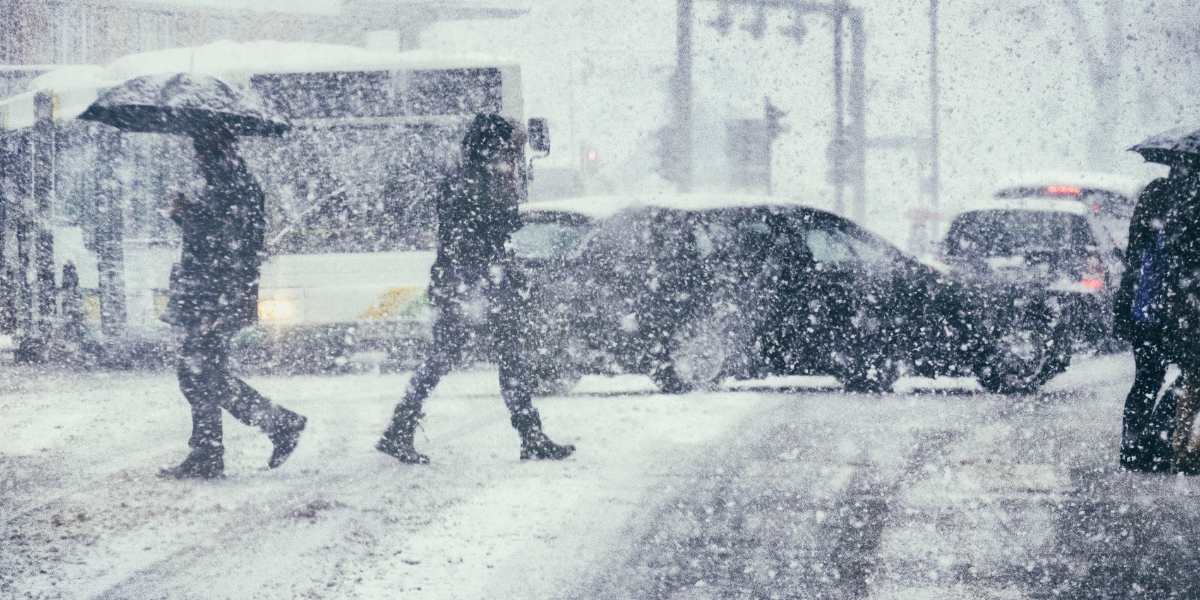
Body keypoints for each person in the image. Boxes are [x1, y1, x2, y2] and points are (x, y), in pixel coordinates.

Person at [376, 114, 575, 464]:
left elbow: (479, 233)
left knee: (457, 356)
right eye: (509, 150)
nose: (512, 158)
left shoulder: (467, 178)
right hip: (474, 284)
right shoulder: (479, 183)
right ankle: (530, 436)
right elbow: (492, 230)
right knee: (488, 357)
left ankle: (401, 427)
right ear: (492, 148)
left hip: (466, 282)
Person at [159, 124, 307, 480]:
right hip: (216, 294)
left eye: (198, 148)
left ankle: (277, 425)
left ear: (208, 150)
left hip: (216, 296)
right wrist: (189, 215)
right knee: (203, 373)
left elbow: (225, 244)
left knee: (199, 373)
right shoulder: (228, 181)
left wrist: (187, 215)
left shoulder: (229, 183)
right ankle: (212, 452)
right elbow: (227, 239)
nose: (194, 158)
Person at [1113, 171, 1178, 472]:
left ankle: (1136, 443)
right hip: (1169, 310)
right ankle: (1154, 440)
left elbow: (1134, 257)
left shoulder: (1156, 192)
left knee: (1147, 379)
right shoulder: (1179, 199)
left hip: (1148, 310)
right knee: (1178, 377)